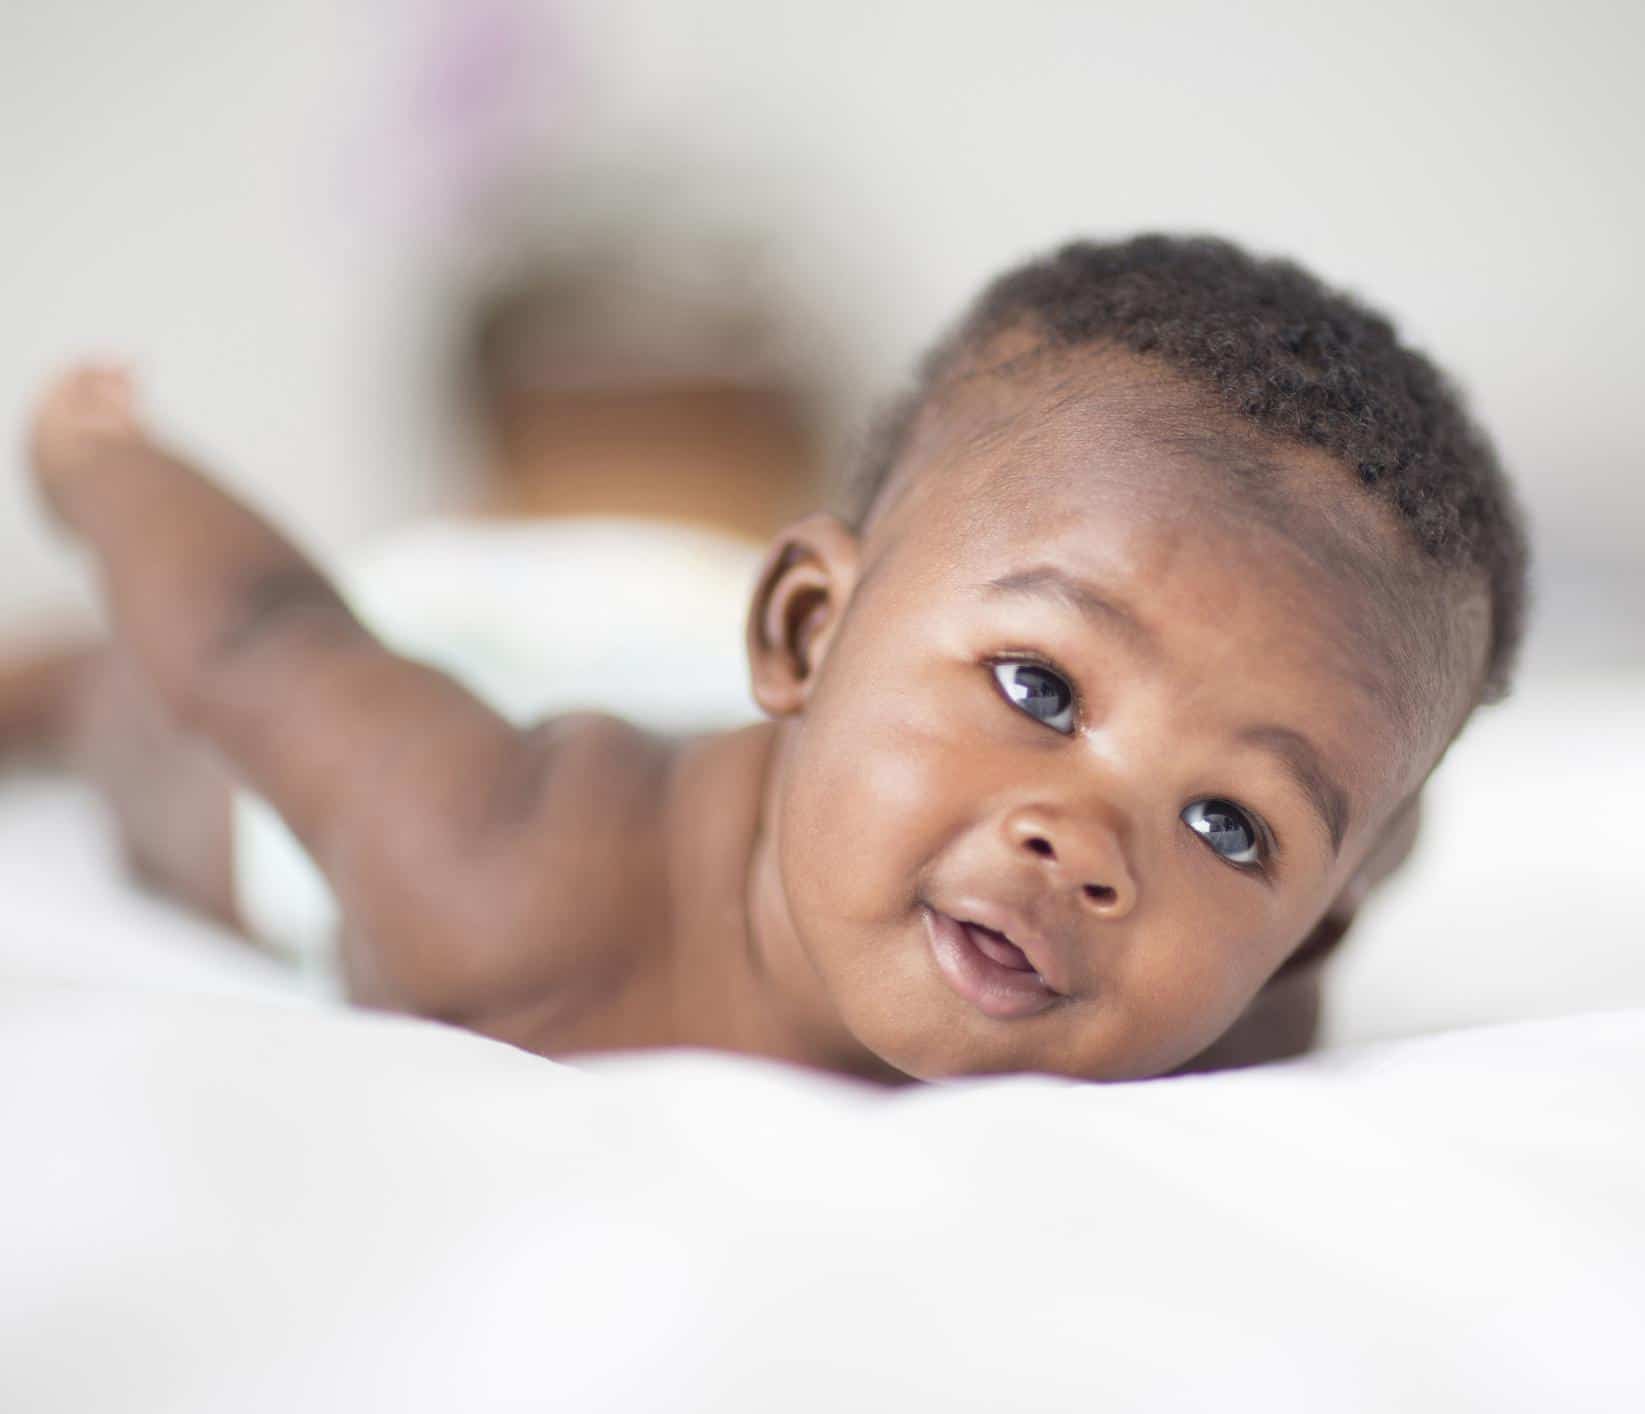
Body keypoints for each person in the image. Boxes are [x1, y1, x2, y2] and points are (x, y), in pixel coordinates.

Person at [9, 235, 1527, 1082]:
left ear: (1313, 932)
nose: (1090, 846)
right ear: (804, 632)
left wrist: (1344, 828)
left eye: (1229, 822)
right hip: (412, 677)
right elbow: (257, 631)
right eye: (1044, 689)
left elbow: (1365, 835)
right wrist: (100, 465)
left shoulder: (1232, 1004)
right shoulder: (505, 880)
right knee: (154, 724)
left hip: (768, 680)